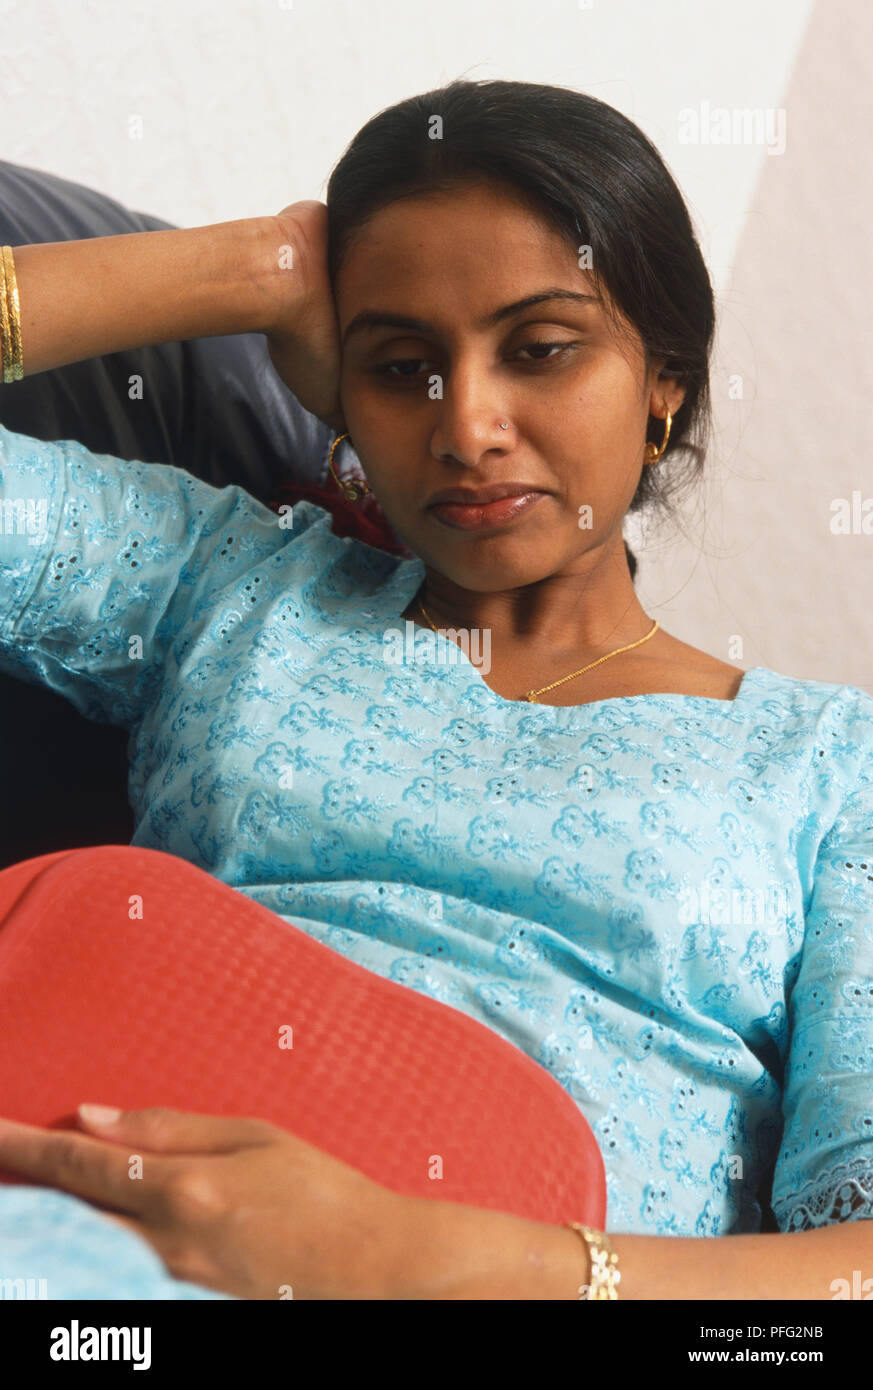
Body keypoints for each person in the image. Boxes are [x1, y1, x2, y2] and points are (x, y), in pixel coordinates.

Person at [0, 78, 871, 1301]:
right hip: (94, 1216)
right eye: (402, 366)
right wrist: (246, 270)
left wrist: (442, 1260)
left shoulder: (829, 768)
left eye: (541, 349)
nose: (467, 424)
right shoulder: (223, 581)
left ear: (663, 379)